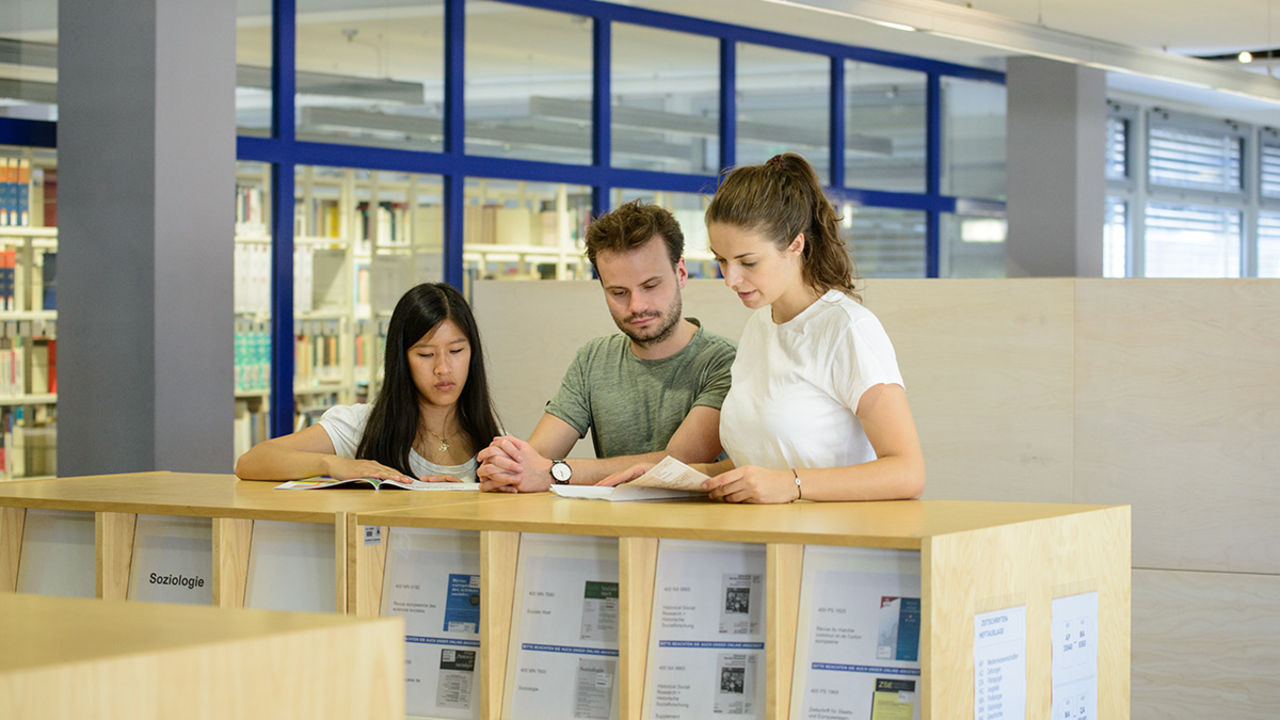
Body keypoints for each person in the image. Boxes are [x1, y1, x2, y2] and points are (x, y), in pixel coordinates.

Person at [606, 153, 925, 503]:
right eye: (721, 261)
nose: (731, 279)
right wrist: (665, 477)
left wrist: (793, 484)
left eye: (748, 262)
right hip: (764, 543)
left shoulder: (847, 329)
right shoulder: (760, 326)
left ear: (795, 245)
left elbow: (907, 472)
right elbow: (757, 469)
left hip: (833, 546)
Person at [477, 200, 737, 492]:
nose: (637, 305)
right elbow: (538, 456)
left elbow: (674, 464)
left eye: (651, 286)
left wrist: (554, 472)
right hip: (610, 529)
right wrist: (505, 467)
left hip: (699, 530)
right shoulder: (594, 359)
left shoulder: (725, 361)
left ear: (681, 274)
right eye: (618, 292)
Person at [235, 282, 502, 484]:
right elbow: (251, 462)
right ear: (401, 359)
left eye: (456, 352)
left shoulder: (490, 435)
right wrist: (332, 464)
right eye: (426, 355)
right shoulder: (362, 425)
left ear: (473, 353)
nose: (443, 368)